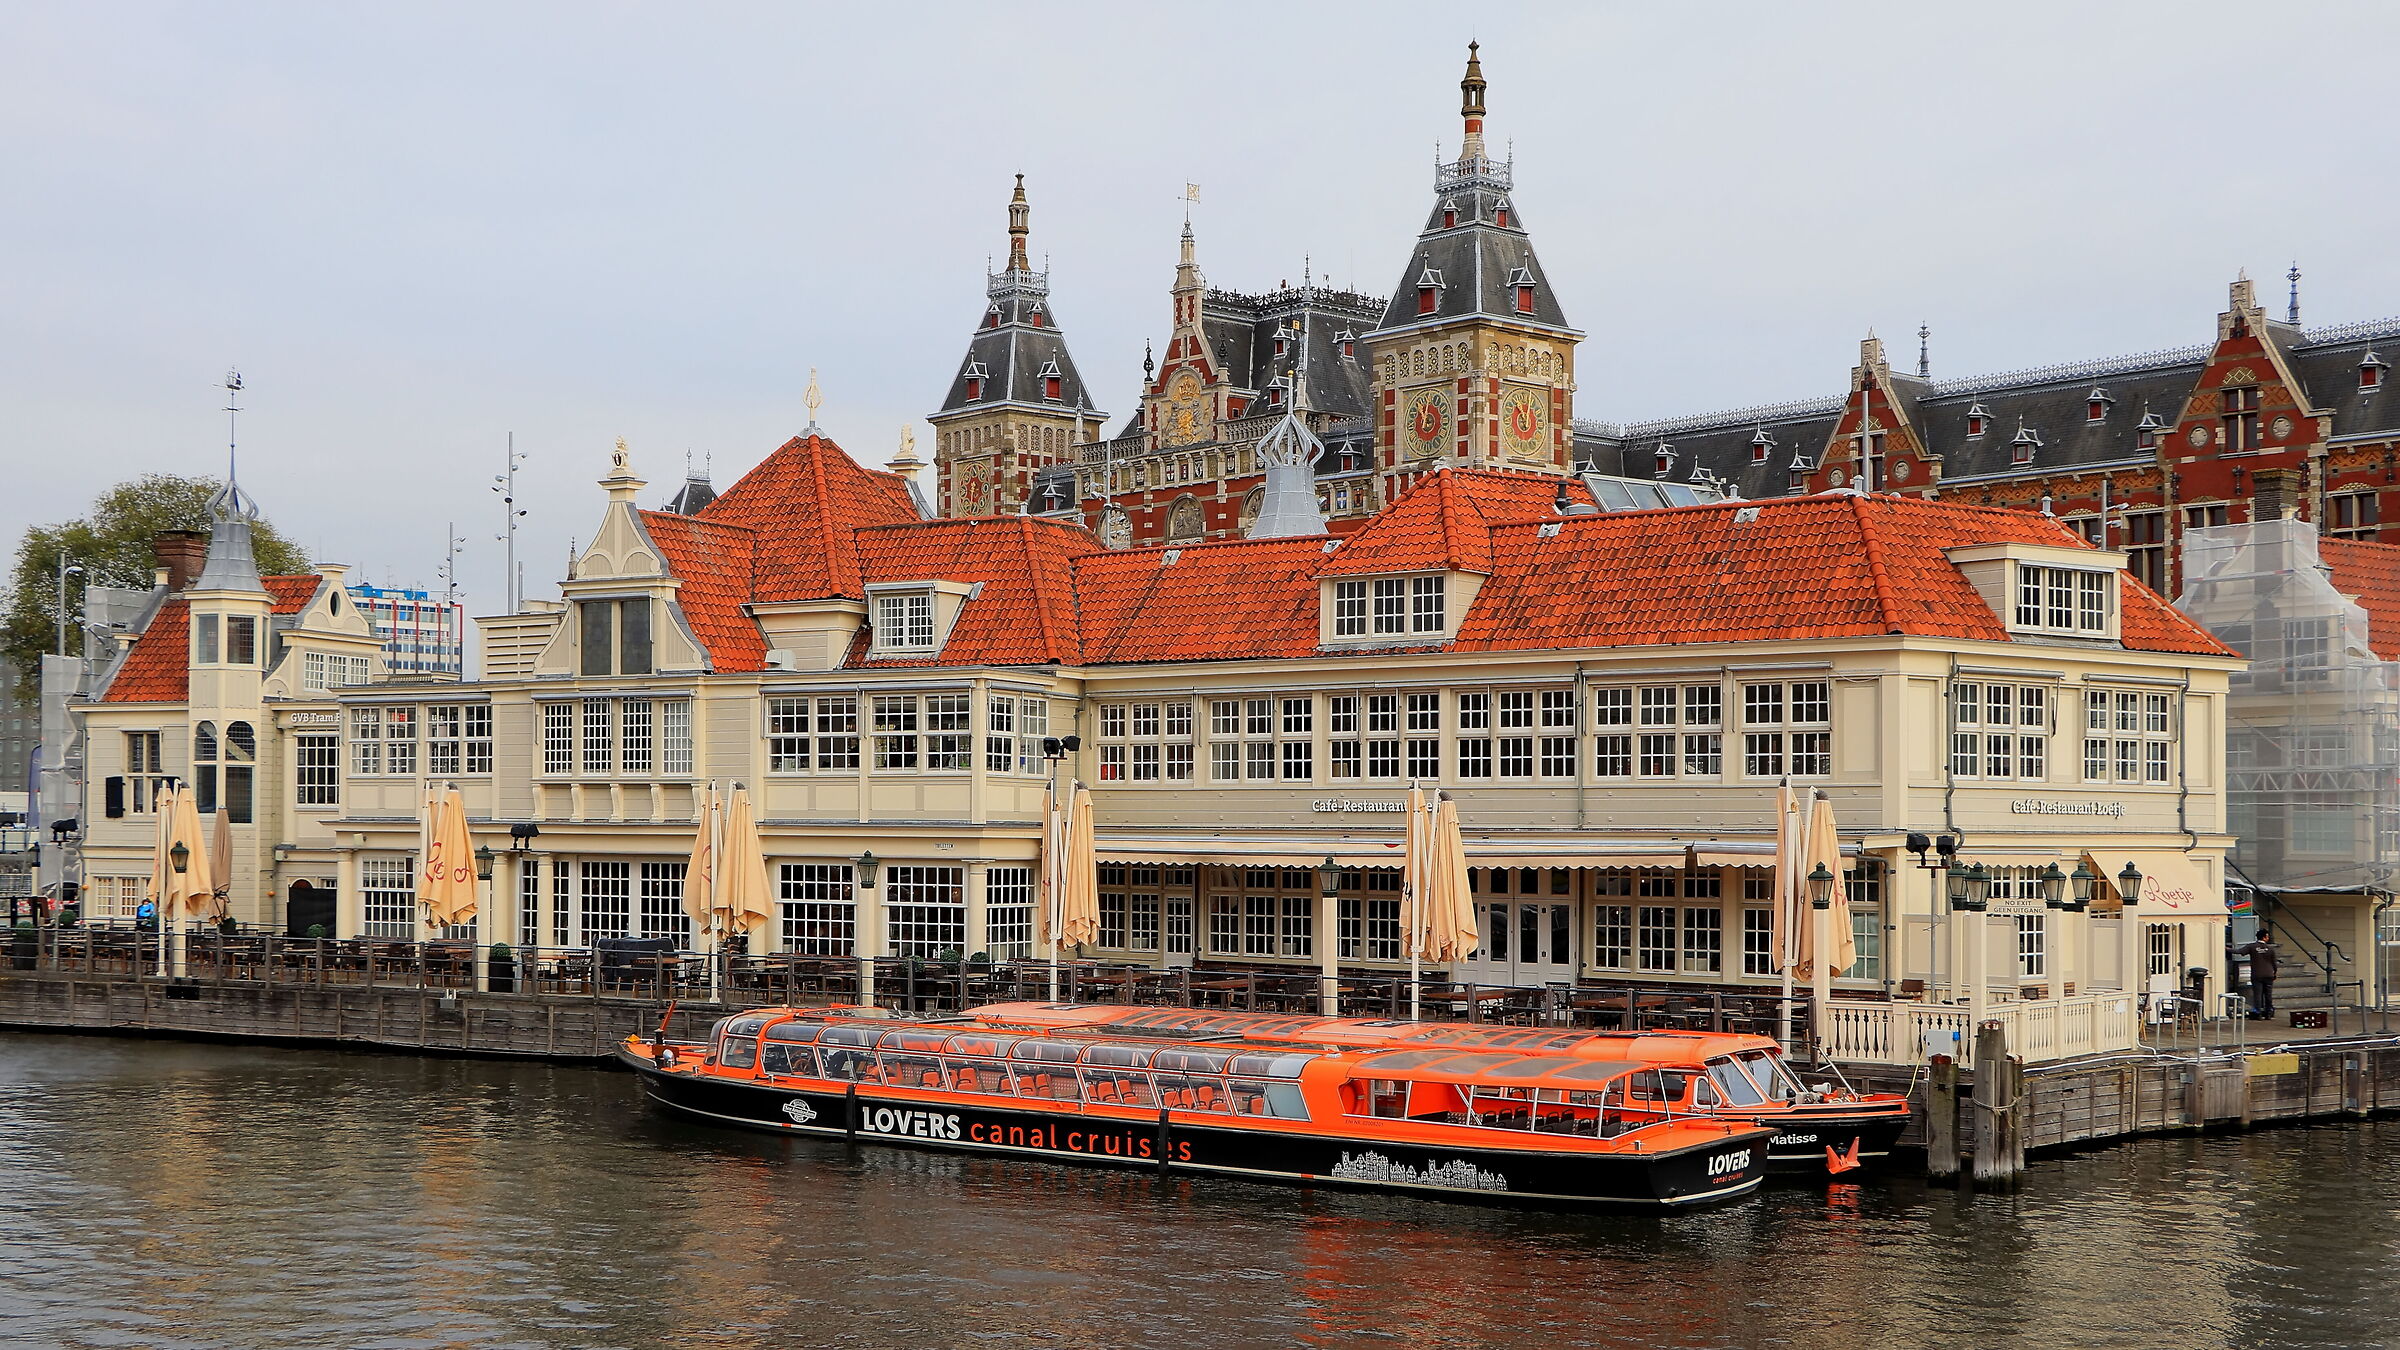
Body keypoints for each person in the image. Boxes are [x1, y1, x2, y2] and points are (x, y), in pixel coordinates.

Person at [2240, 927, 2281, 1020]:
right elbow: (2274, 963)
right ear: (2264, 937)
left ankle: (2257, 1013)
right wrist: (2275, 972)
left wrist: (2226, 949)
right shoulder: (2270, 949)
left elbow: (2240, 951)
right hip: (2269, 974)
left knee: (2257, 994)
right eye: (2267, 936)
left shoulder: (2252, 947)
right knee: (2268, 994)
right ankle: (2268, 1013)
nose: (2268, 938)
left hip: (2257, 974)